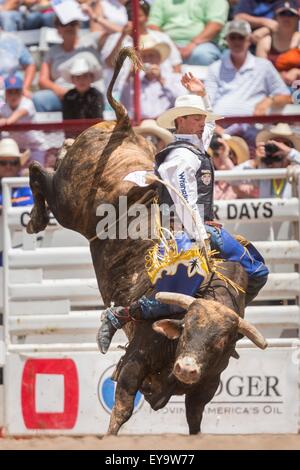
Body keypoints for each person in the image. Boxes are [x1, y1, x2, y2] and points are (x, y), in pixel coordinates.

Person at [97, 72, 269, 354]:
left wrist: (202, 95)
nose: (202, 123)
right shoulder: (181, 156)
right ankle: (119, 315)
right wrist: (201, 234)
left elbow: (210, 128)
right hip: (185, 234)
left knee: (257, 271)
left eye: (202, 118)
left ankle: (221, 323)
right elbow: (183, 198)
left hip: (198, 229)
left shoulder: (193, 148)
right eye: (196, 117)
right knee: (173, 299)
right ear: (181, 121)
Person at [32, 3, 103, 112]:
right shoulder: (52, 52)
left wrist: (93, 16)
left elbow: (118, 33)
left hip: (91, 94)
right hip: (62, 95)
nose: (69, 26)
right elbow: (42, 80)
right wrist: (61, 91)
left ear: (78, 25)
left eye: (73, 22)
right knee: (39, 98)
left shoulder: (92, 41)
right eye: (64, 23)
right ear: (57, 28)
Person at [120, 36, 184, 119]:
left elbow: (179, 102)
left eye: (151, 56)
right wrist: (130, 76)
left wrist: (161, 80)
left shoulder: (172, 77)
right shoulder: (134, 80)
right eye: (144, 57)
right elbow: (125, 102)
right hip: (140, 124)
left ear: (159, 58)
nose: (148, 60)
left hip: (164, 123)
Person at [147, 0, 229, 66]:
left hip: (203, 44)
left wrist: (193, 44)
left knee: (202, 56)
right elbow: (152, 25)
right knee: (149, 56)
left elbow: (216, 25)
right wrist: (171, 46)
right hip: (166, 44)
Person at [0, 74, 47, 164]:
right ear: (5, 93)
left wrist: (4, 121)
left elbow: (13, 118)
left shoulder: (27, 103)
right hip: (14, 151)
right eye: (10, 92)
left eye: (16, 91)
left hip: (34, 148)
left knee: (36, 174)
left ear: (22, 92)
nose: (13, 95)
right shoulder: (3, 107)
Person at [256, 1, 300, 85]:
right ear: (276, 17)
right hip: (272, 87)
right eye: (283, 14)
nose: (287, 18)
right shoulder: (265, 42)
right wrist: (278, 76)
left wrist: (297, 72)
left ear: (297, 18)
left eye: (291, 15)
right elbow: (260, 72)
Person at [60, 53, 104, 119]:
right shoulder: (68, 96)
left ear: (91, 78)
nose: (81, 80)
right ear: (73, 80)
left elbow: (97, 118)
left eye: (85, 76)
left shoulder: (96, 95)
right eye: (78, 77)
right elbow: (67, 120)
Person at [0, 137, 33, 206]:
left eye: (13, 163)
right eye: (3, 163)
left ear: (19, 166)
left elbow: (30, 200)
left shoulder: (25, 184)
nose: (8, 166)